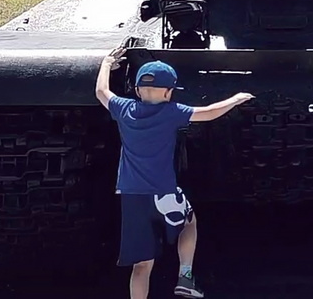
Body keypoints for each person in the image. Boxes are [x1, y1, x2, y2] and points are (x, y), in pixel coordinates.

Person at [95, 46, 255, 299]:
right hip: (163, 192)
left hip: (131, 196)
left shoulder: (124, 109)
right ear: (169, 92)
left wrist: (106, 64)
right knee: (189, 221)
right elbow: (209, 113)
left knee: (141, 264)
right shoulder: (171, 112)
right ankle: (185, 277)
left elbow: (102, 92)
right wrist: (235, 99)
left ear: (137, 90)